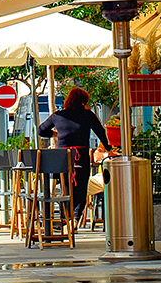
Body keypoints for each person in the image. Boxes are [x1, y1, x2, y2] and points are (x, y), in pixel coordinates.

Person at [39, 87, 109, 220]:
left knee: (66, 188)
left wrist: (54, 133)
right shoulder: (88, 115)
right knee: (82, 188)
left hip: (62, 157)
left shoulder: (58, 115)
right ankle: (75, 217)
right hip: (80, 155)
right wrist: (108, 147)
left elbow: (41, 131)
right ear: (83, 101)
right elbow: (101, 132)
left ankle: (67, 217)